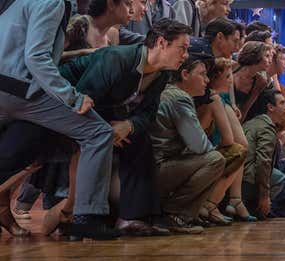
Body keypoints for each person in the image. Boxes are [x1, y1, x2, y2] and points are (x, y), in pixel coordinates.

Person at [0, 0, 116, 240]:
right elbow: (37, 58)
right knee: (99, 133)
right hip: (22, 93)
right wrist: (72, 97)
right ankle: (86, 217)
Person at [59, 19, 194, 236]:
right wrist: (108, 128)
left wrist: (127, 126)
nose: (186, 55)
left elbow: (149, 114)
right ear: (161, 43)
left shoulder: (162, 73)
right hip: (63, 108)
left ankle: (131, 217)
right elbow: (83, 98)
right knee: (106, 137)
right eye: (183, 48)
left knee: (140, 139)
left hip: (105, 117)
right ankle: (84, 216)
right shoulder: (117, 58)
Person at [150, 54, 227, 234]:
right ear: (185, 74)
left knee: (215, 158)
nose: (207, 80)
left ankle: (185, 214)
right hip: (157, 169)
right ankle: (174, 214)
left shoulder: (169, 93)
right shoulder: (179, 98)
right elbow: (200, 146)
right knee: (216, 160)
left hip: (152, 167)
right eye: (202, 74)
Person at [197, 57, 256, 222]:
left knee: (240, 148)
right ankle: (213, 203)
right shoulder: (213, 98)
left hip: (203, 146)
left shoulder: (216, 96)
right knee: (238, 151)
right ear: (214, 78)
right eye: (228, 77)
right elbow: (228, 140)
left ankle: (232, 200)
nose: (231, 81)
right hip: (201, 151)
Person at [242, 90, 285, 220]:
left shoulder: (253, 122)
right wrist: (265, 196)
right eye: (282, 103)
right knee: (279, 178)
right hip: (247, 179)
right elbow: (263, 163)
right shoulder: (266, 127)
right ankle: (256, 210)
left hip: (239, 177)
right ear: (270, 107)